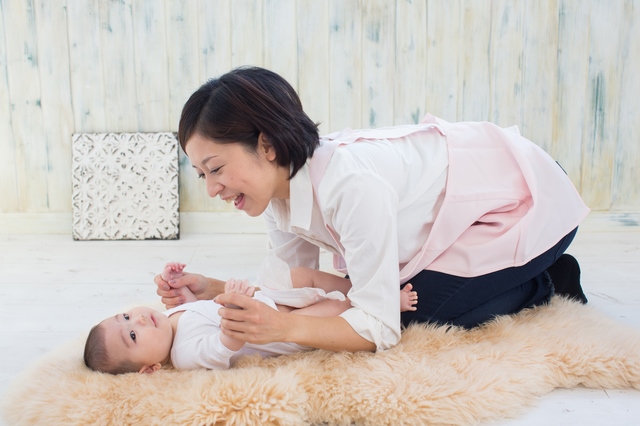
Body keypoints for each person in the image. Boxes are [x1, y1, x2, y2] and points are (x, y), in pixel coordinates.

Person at [155, 66, 590, 354]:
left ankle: (547, 278)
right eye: (201, 175)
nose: (212, 189)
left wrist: (284, 330)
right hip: (462, 208)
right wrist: (215, 291)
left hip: (526, 195)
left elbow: (381, 328)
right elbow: (295, 290)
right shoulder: (275, 192)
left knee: (415, 311)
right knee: (371, 292)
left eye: (215, 169)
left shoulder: (349, 185)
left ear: (266, 145)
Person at [85, 262, 418, 374]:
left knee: (300, 274)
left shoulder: (171, 318)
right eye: (132, 336)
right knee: (333, 312)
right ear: (150, 368)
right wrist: (237, 305)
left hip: (267, 305)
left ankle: (363, 289)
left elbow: (196, 309)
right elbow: (227, 340)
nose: (138, 321)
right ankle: (388, 305)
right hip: (278, 333)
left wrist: (182, 285)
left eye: (126, 316)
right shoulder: (185, 355)